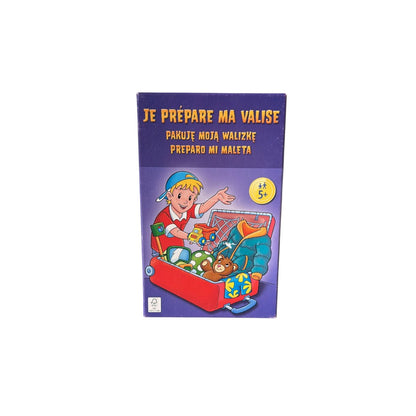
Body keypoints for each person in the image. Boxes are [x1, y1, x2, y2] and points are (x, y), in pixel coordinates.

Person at [151, 171, 235, 253]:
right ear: (169, 196)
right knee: (184, 257)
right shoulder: (164, 215)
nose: (185, 202)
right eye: (179, 196)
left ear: (194, 199)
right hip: (162, 251)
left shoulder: (187, 210)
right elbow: (175, 232)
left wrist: (216, 197)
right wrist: (192, 237)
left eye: (190, 198)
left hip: (178, 247)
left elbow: (202, 208)